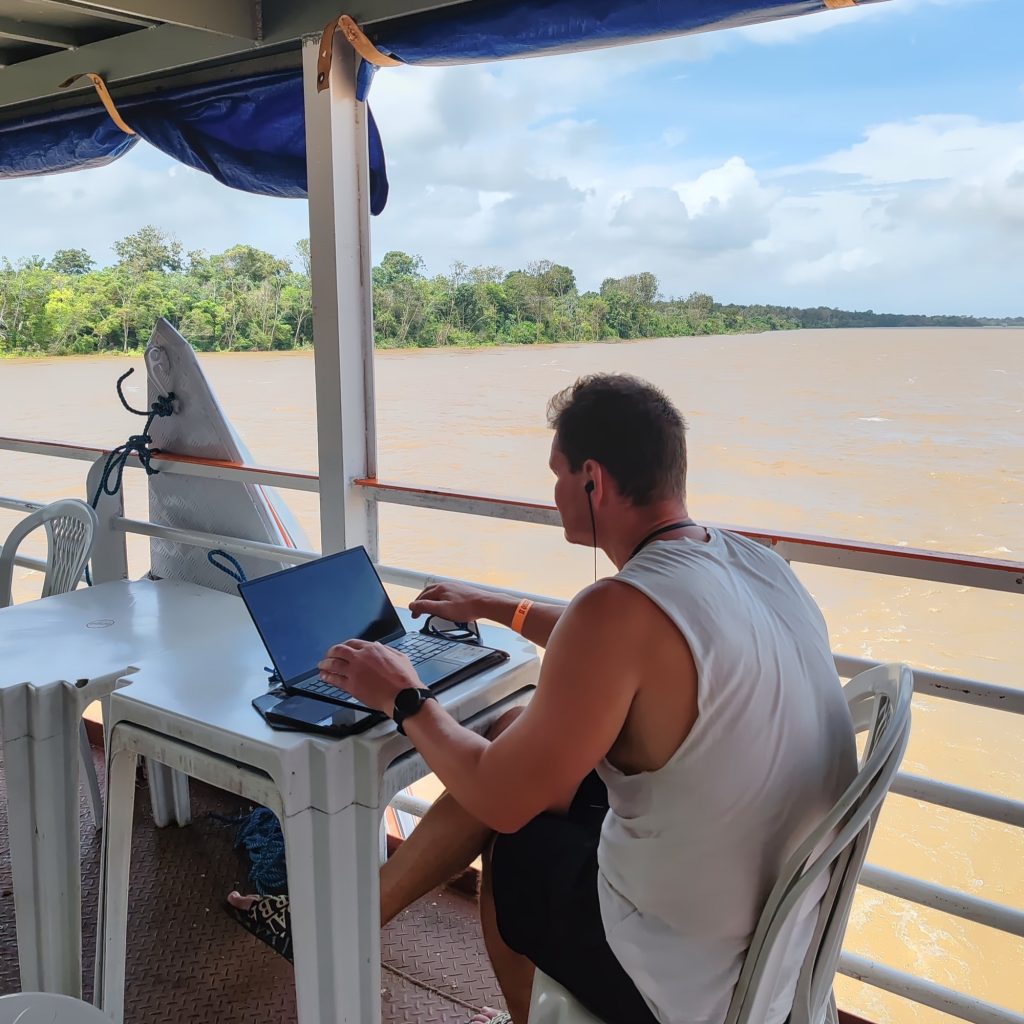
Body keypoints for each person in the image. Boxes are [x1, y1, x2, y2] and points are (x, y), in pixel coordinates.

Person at [241, 373, 857, 1024]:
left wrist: (402, 695)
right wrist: (494, 606)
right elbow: (641, 647)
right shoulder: (753, 563)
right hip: (778, 939)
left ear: (593, 481)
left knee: (513, 838)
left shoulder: (617, 610)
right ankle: (352, 922)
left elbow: (500, 796)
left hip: (690, 978)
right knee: (512, 727)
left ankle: (354, 937)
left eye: (557, 473)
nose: (554, 491)